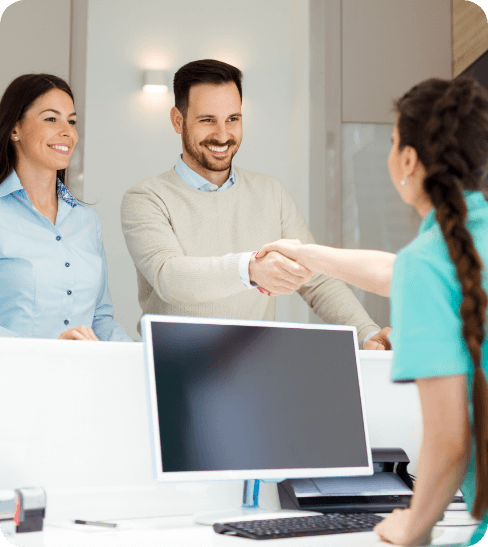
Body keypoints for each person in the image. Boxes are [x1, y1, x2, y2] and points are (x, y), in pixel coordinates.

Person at [257, 76, 488, 546]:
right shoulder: (452, 250)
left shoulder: (428, 264)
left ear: (407, 159)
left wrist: (412, 525)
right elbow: (396, 270)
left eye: (391, 142)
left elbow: (450, 441)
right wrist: (307, 253)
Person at [121, 59, 390, 349]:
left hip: (252, 367)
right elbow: (170, 277)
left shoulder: (270, 193)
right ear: (177, 120)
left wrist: (366, 332)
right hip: (172, 367)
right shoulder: (146, 198)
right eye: (207, 120)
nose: (223, 135)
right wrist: (250, 269)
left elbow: (317, 280)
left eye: (232, 119)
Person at [0, 73, 132, 342]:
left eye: (71, 121)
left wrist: (136, 356)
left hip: (82, 379)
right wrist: (50, 352)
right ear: (15, 128)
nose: (68, 132)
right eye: (51, 119)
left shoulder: (86, 220)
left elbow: (100, 318)